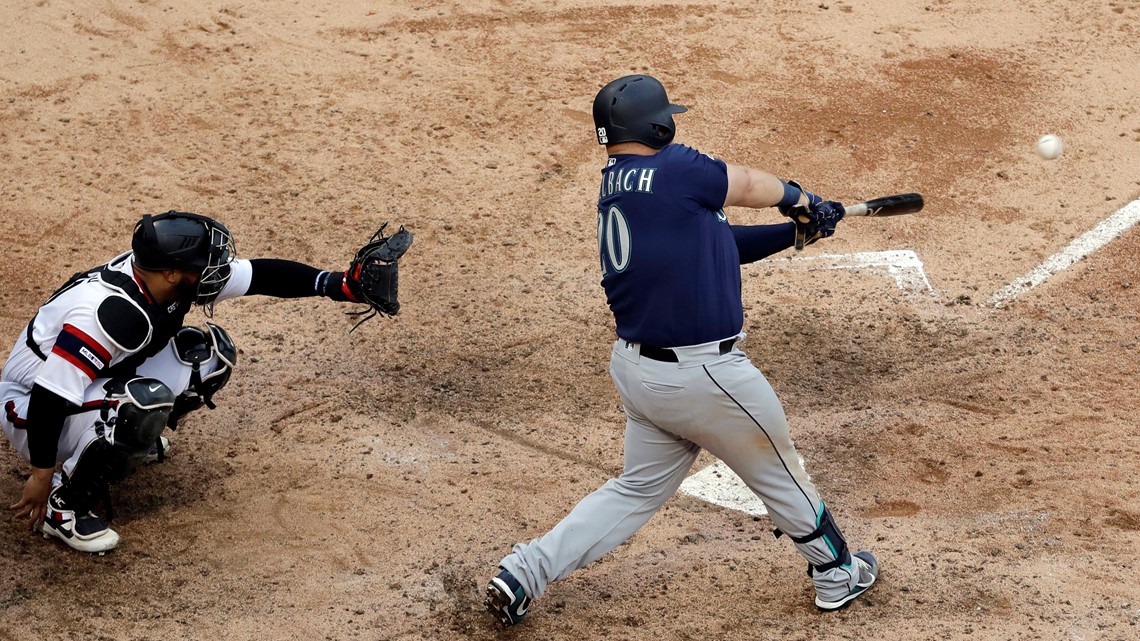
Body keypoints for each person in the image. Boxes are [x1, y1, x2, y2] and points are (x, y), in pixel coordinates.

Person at [484, 74, 877, 625]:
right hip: (705, 379)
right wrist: (803, 201)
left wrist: (799, 233)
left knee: (634, 490)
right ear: (655, 124)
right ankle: (836, 573)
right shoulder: (675, 168)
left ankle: (524, 572)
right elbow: (742, 183)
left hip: (640, 376)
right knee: (780, 468)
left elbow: (718, 243)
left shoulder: (621, 186)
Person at [3, 210, 409, 553]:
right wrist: (40, 473)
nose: (218, 270)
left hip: (90, 380)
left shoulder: (163, 276)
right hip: (29, 408)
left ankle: (117, 441)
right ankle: (64, 506)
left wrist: (339, 284)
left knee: (205, 355)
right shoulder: (108, 314)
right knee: (136, 404)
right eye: (206, 265)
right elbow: (49, 395)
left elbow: (260, 276)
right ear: (173, 273)